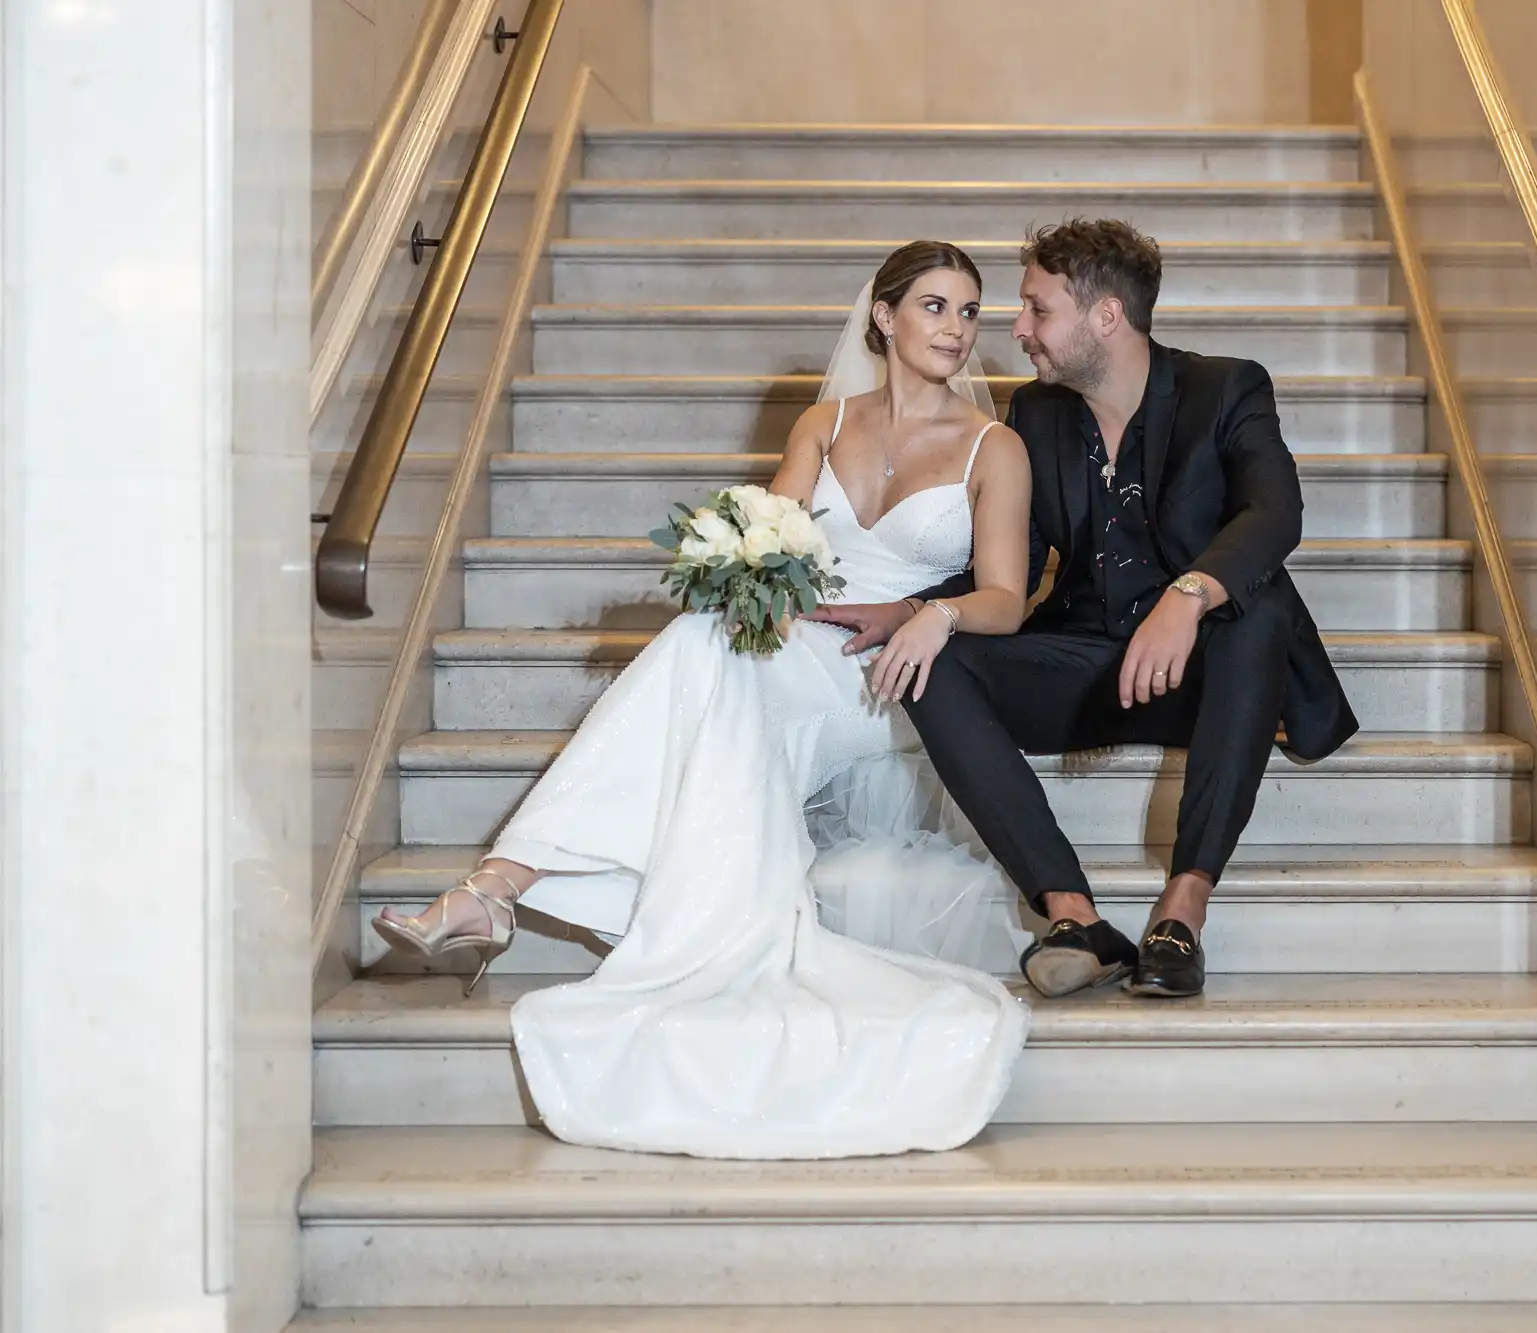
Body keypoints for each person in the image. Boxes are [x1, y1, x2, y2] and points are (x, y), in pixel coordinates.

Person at [370, 241, 1035, 1159]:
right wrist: (747, 576)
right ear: (883, 317)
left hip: (880, 673)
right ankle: (497, 890)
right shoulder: (823, 423)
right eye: (934, 306)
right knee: (704, 640)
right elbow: (772, 547)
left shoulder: (994, 447)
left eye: (969, 312)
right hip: (790, 645)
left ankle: (495, 888)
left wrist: (933, 613)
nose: (956, 330)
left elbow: (1006, 596)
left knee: (704, 660)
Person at [816, 219, 1360, 1001]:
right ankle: (1073, 914)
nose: (1016, 328)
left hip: (1206, 680)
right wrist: (911, 611)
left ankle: (1181, 912)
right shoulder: (1036, 415)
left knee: (1261, 604)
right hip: (1085, 664)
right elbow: (999, 569)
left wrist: (1188, 596)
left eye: (1037, 310)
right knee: (943, 661)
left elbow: (1274, 517)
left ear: (1105, 317)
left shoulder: (1226, 389)